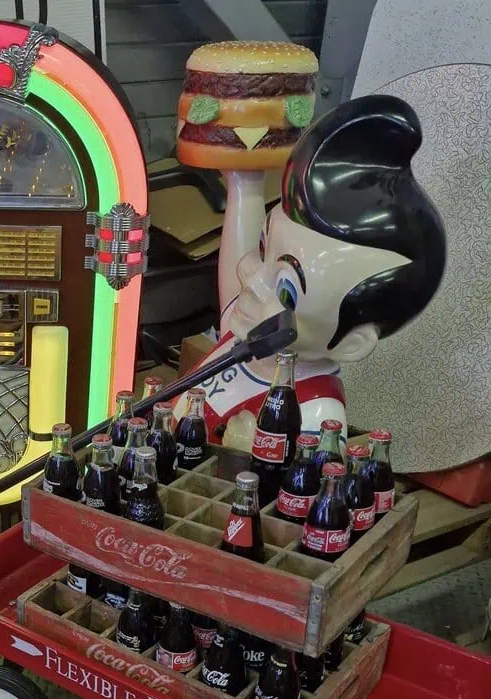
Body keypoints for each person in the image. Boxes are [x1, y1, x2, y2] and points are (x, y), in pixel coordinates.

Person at [173, 94, 445, 441]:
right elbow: (237, 266)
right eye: (262, 248)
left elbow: (297, 477)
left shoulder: (313, 414)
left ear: (350, 344)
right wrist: (243, 179)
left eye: (286, 291)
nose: (251, 278)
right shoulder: (244, 333)